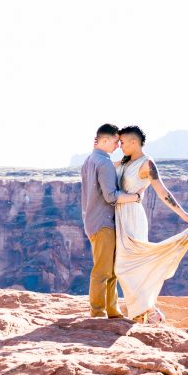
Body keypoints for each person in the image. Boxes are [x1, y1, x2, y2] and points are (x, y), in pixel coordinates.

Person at [114, 125, 188, 324]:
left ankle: (149, 312)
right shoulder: (125, 162)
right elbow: (103, 168)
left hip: (133, 216)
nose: (120, 146)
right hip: (119, 215)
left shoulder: (146, 163)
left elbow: (162, 191)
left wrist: (183, 214)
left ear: (134, 142)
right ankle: (147, 312)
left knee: (125, 266)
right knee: (126, 266)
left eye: (123, 142)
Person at [80, 123, 141, 318]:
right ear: (105, 141)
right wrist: (136, 197)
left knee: (110, 268)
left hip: (93, 222)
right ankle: (98, 312)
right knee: (103, 271)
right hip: (104, 223)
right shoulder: (103, 162)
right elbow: (111, 196)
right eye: (115, 142)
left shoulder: (89, 161)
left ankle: (112, 310)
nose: (117, 146)